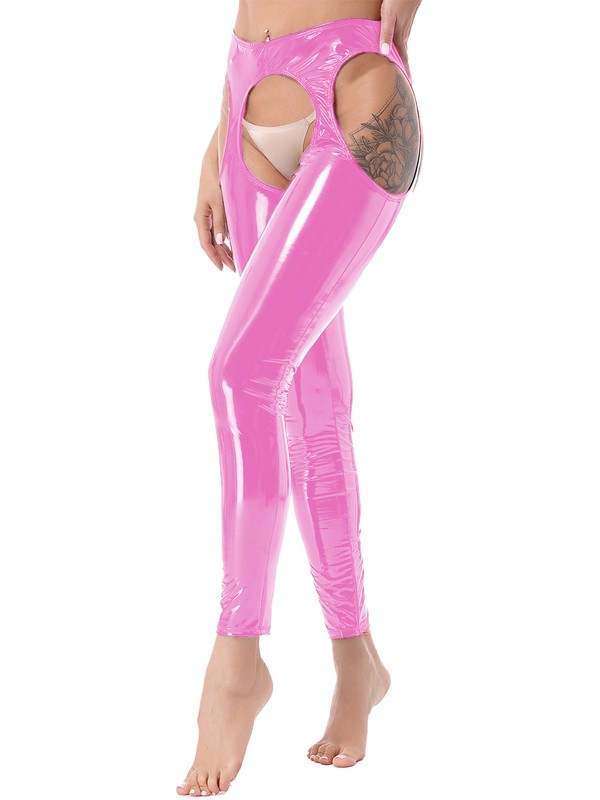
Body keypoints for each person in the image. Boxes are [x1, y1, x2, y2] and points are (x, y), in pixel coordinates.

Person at [178, 0, 423, 795]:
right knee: (310, 404)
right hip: (248, 93)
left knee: (238, 374)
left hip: (357, 89)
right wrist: (220, 133)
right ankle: (357, 661)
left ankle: (236, 659)